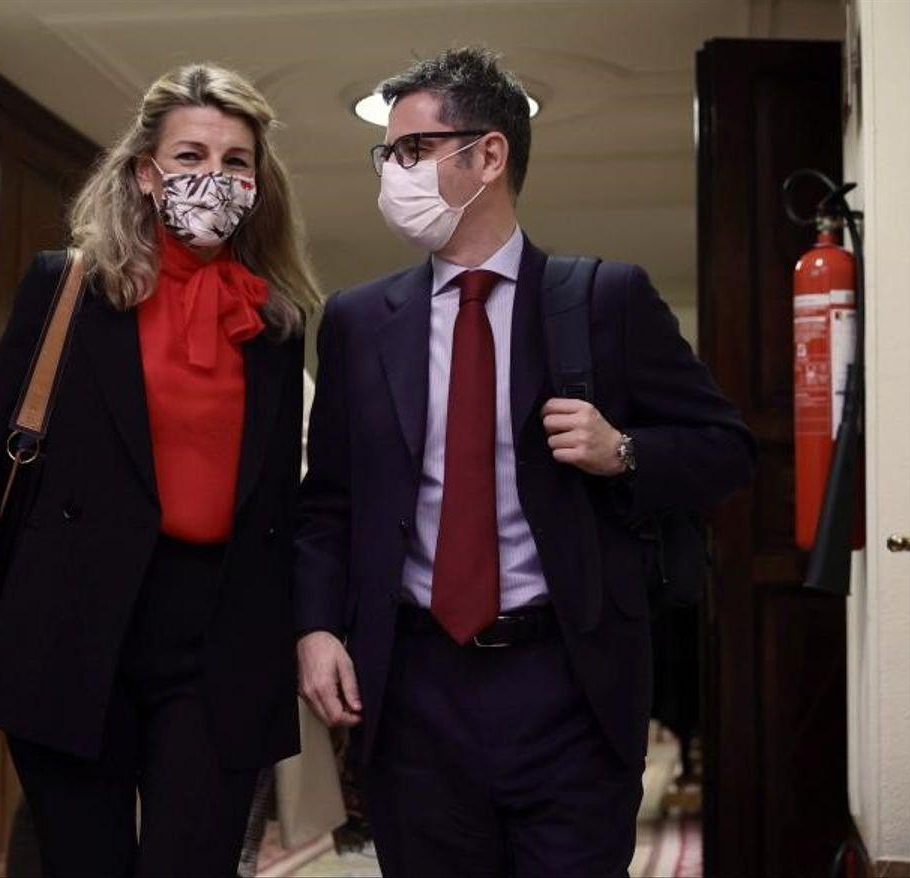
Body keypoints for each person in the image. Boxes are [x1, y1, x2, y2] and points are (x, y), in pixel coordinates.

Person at [295, 47, 755, 877]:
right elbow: (328, 501)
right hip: (414, 689)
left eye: (412, 150)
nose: (392, 173)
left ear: (489, 155)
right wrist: (318, 624)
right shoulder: (360, 322)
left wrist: (623, 451)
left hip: (569, 687)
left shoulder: (606, 300)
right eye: (387, 154)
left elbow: (726, 450)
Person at [0, 63, 320, 877]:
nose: (212, 176)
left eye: (235, 161)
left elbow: (282, 502)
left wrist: (308, 629)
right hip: (73, 620)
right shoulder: (66, 286)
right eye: (189, 155)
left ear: (258, 180)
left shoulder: (276, 320)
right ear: (146, 172)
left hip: (218, 636)